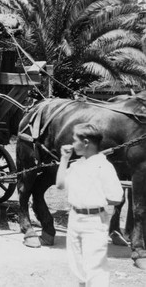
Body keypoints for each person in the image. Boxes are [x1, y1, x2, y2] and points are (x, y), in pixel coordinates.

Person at [56, 123, 123, 287]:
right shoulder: (76, 165)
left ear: (86, 142)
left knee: (95, 268)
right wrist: (64, 159)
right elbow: (59, 184)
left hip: (94, 221)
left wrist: (93, 198)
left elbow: (116, 197)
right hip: (74, 218)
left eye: (74, 140)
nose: (72, 144)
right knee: (77, 265)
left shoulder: (104, 166)